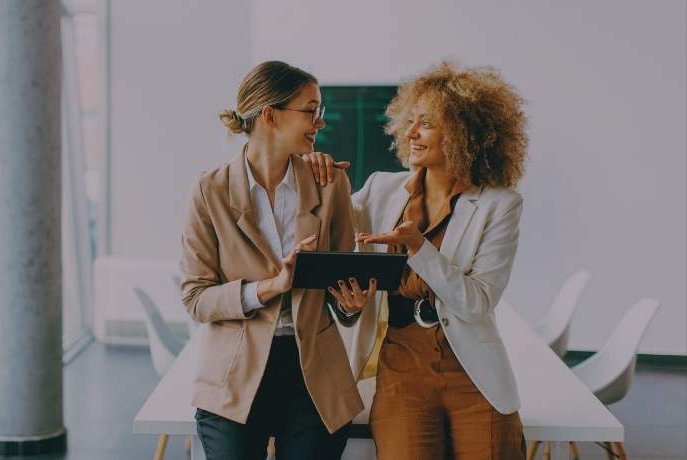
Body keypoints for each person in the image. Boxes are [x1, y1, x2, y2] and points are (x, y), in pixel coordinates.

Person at [306, 61, 529, 459]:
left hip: (473, 377)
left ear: (465, 134)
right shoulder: (380, 189)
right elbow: (327, 231)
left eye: (425, 123)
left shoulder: (500, 204)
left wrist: (418, 248)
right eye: (409, 121)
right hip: (401, 376)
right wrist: (311, 174)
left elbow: (476, 302)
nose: (410, 133)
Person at [179, 60, 376, 460]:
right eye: (310, 110)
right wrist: (272, 285)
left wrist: (351, 305)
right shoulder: (209, 191)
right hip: (233, 377)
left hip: (315, 378)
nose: (319, 122)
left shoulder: (330, 182)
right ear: (270, 115)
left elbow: (339, 280)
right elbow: (196, 299)